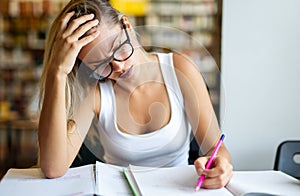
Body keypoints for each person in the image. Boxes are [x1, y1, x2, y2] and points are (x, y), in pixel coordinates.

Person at [38, 0, 233, 189]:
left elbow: (215, 149)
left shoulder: (180, 70)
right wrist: (58, 72)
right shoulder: (96, 92)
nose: (119, 67)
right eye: (101, 65)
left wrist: (221, 166)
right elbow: (54, 168)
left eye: (119, 48)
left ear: (127, 27)